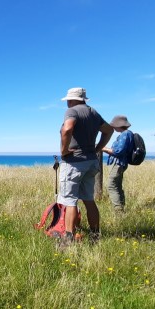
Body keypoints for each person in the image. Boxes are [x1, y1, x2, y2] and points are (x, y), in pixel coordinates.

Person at [55, 87, 114, 239]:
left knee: (70, 200)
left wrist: (64, 151)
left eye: (68, 99)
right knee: (89, 199)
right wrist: (98, 148)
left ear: (73, 99)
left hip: (74, 162)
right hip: (91, 162)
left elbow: (67, 129)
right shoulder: (93, 112)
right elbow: (109, 130)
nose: (67, 102)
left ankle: (68, 237)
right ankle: (95, 235)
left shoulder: (72, 111)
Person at [101, 115, 135, 212]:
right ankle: (121, 207)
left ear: (118, 125)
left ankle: (118, 210)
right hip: (121, 163)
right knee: (117, 185)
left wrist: (102, 148)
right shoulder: (127, 134)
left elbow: (118, 151)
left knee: (111, 185)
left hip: (118, 163)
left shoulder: (125, 134)